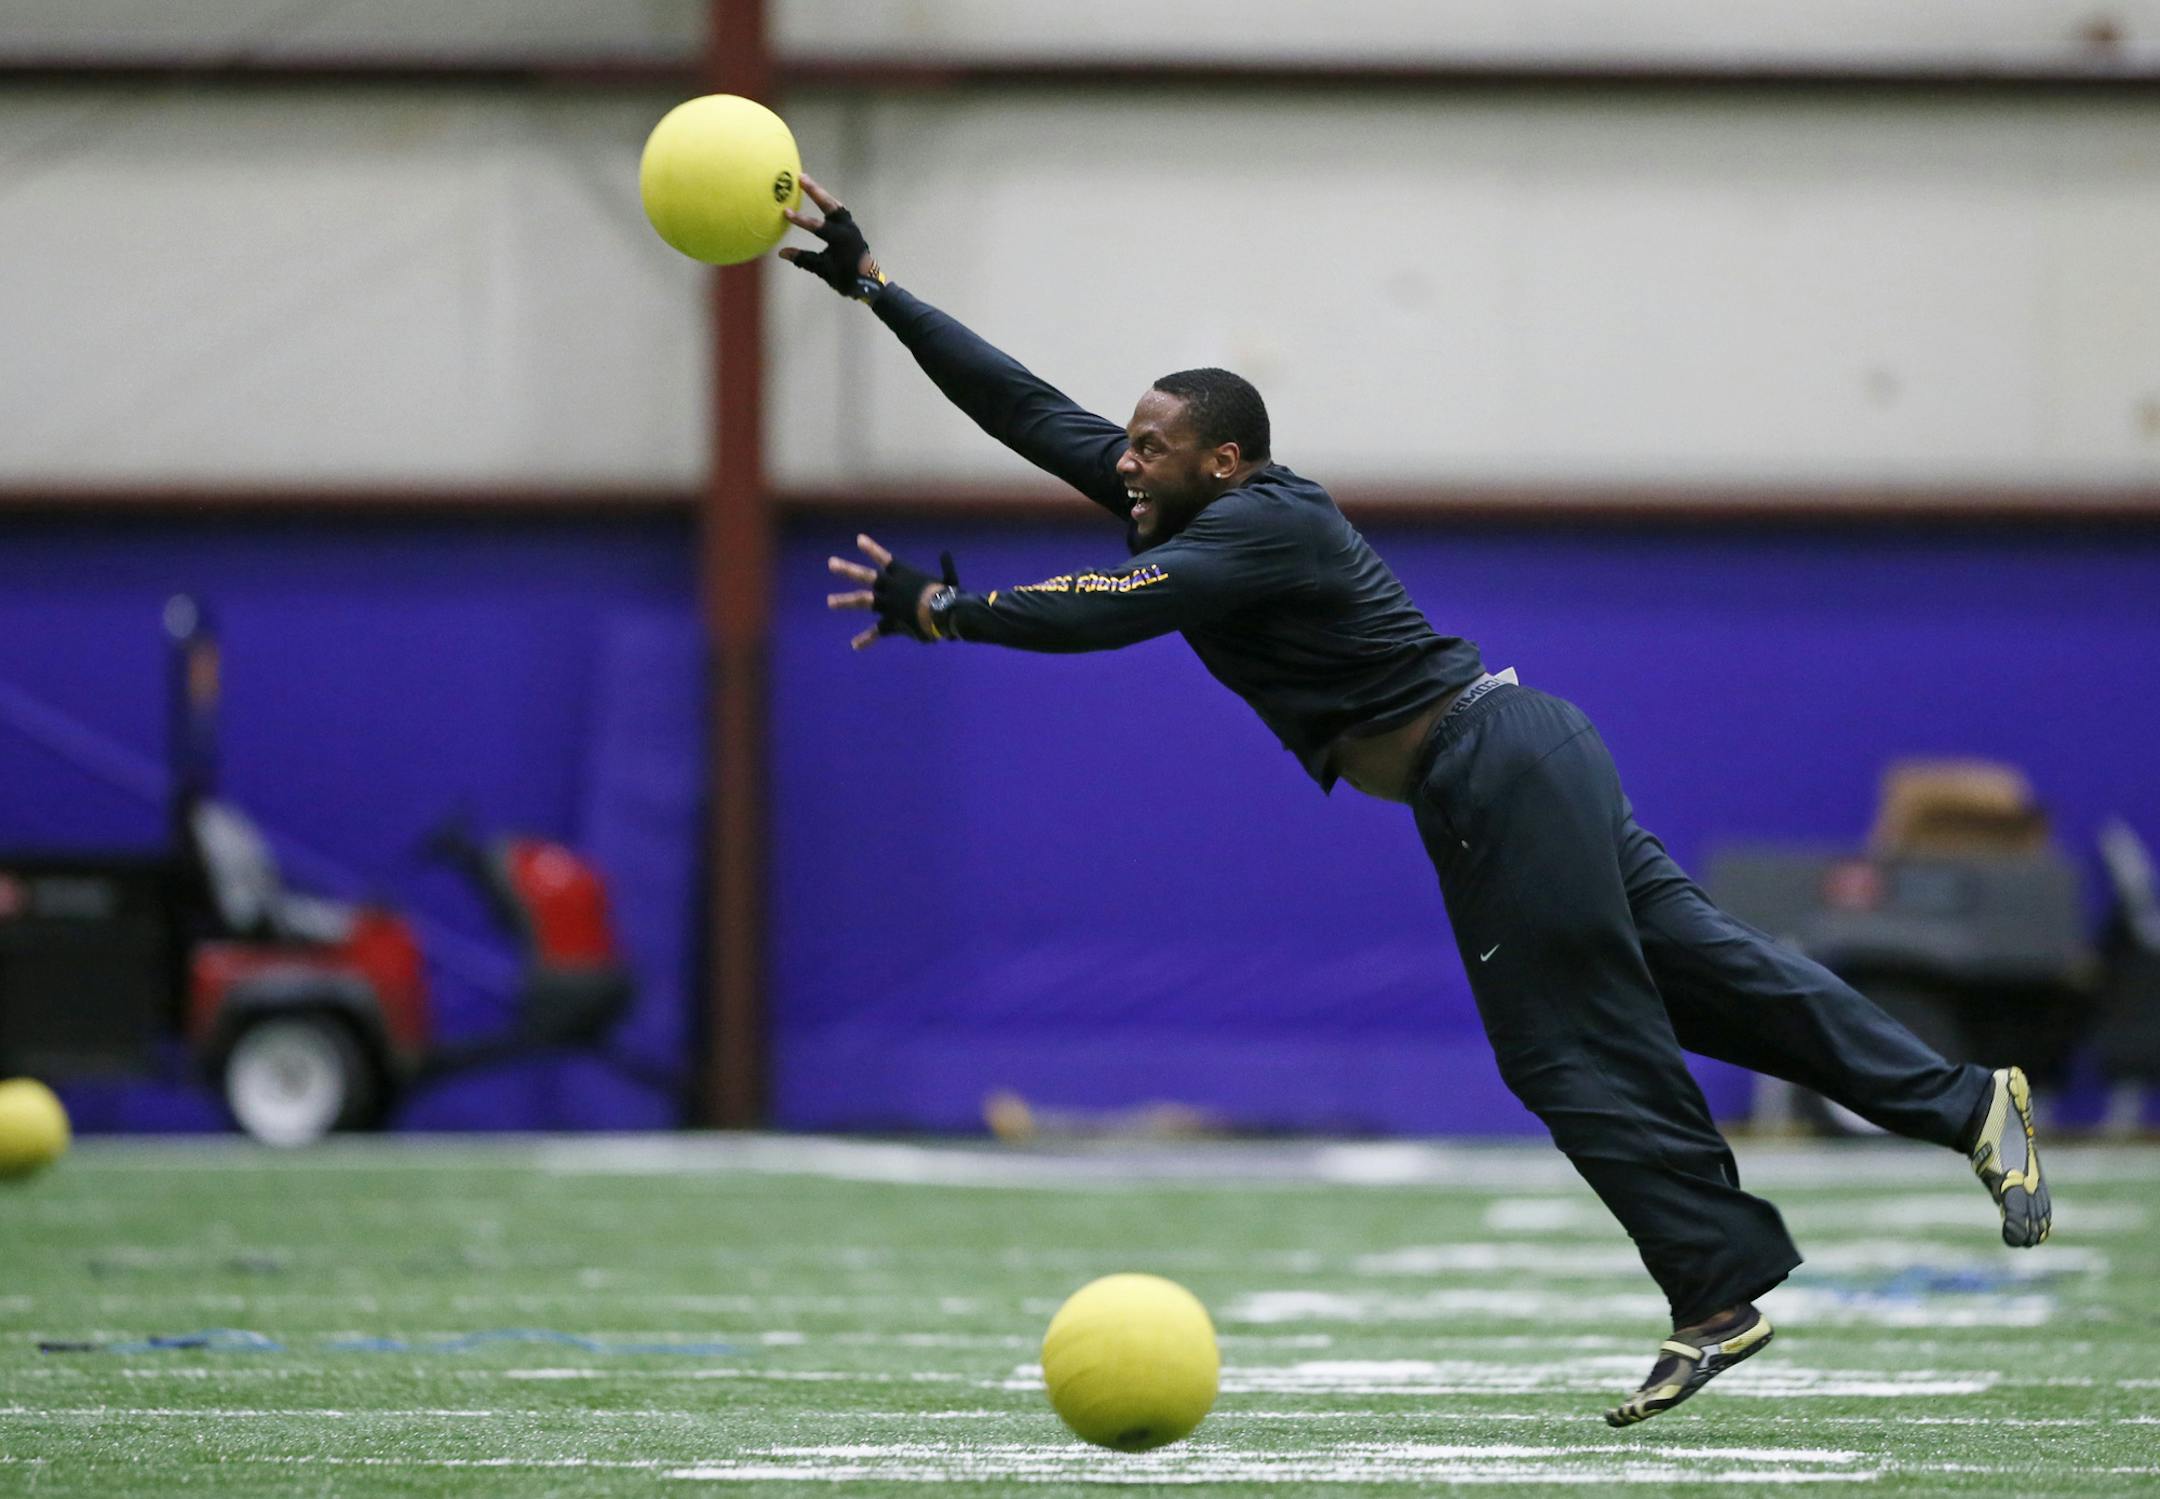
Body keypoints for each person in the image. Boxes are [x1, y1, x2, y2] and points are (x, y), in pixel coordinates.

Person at [781, 176, 2051, 1427]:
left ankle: (1719, 1288)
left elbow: (1119, 611)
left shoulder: (1259, 522)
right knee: (1707, 975)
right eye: (1130, 441)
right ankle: (1964, 1104)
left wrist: (949, 611)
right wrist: (877, 287)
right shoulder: (1171, 490)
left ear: (1225, 460)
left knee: (1563, 1040)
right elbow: (1024, 406)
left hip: (1490, 765)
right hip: (1510, 758)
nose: (1124, 458)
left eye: (1152, 444)